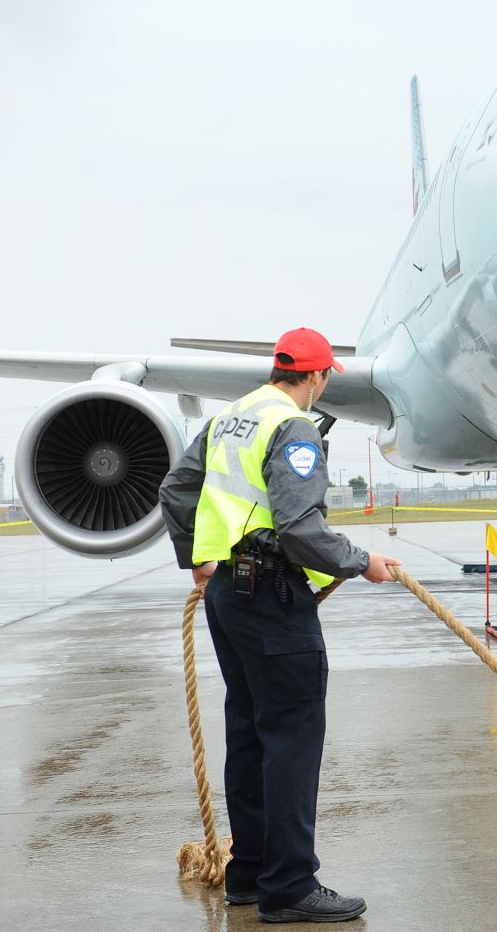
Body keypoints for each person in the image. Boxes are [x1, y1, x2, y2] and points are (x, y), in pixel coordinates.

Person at [159, 327, 402, 923]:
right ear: (316, 377)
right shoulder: (293, 428)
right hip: (271, 598)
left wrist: (197, 560)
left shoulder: (229, 418)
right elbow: (298, 528)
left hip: (228, 595)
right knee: (292, 738)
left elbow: (174, 490)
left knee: (249, 733)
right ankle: (290, 886)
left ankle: (248, 875)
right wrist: (361, 562)